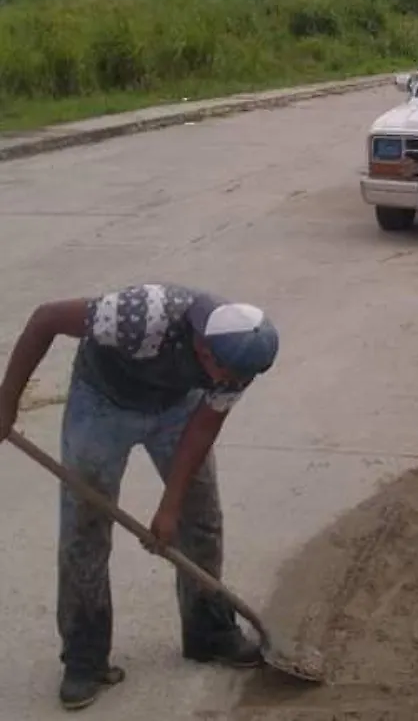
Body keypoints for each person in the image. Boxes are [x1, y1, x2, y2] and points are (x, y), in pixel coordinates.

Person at [0, 284, 280, 711]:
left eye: (238, 380)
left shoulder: (240, 359)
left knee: (200, 517)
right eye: (224, 374)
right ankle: (85, 658)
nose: (229, 384)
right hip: (103, 401)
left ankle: (208, 632)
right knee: (85, 527)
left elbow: (203, 428)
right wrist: (7, 403)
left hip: (177, 408)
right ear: (203, 346)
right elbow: (45, 318)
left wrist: (170, 506)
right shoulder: (140, 314)